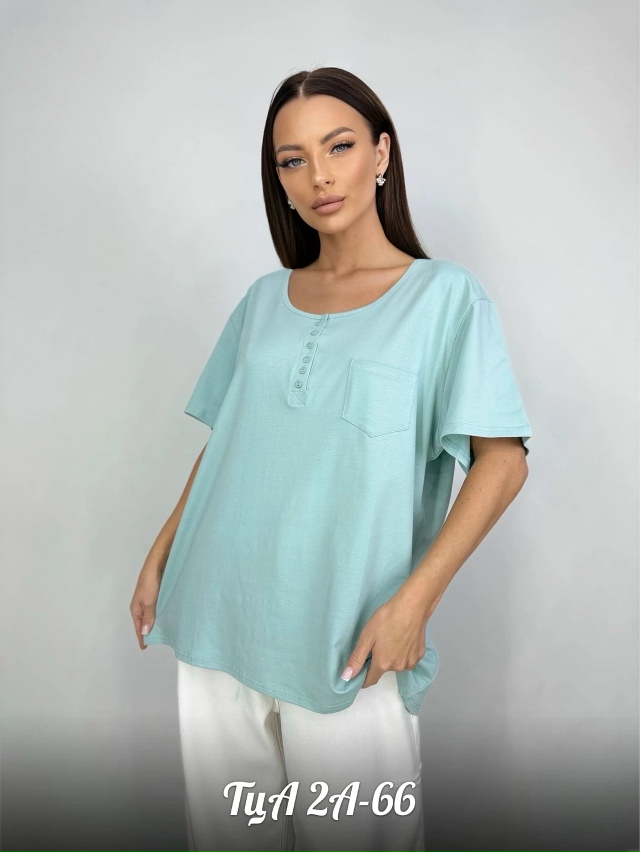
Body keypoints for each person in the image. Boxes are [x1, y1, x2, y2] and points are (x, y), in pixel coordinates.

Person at [130, 66, 532, 852]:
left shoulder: (445, 299)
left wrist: (414, 603)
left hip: (347, 634)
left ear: (381, 153)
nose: (318, 174)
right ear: (279, 181)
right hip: (216, 614)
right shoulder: (261, 302)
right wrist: (161, 552)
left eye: (338, 146)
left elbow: (504, 462)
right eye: (293, 159)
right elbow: (231, 442)